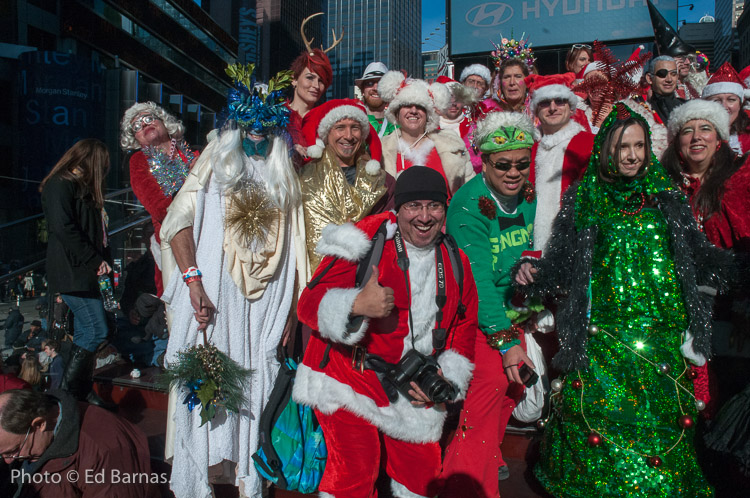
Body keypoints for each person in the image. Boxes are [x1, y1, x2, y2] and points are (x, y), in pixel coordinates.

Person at [514, 103, 730, 497]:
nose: (632, 156)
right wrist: (532, 274)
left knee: (661, 426)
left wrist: (738, 267)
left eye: (639, 146)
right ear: (605, 152)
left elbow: (698, 254)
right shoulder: (586, 196)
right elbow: (562, 260)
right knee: (601, 420)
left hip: (661, 331)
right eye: (622, 147)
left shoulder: (666, 194)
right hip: (605, 334)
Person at [159, 67, 306, 498]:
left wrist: (294, 311)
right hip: (216, 292)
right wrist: (192, 281)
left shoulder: (285, 171)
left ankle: (251, 480)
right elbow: (177, 224)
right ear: (235, 125)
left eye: (265, 130)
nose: (256, 138)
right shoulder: (214, 163)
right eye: (248, 128)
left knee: (260, 375)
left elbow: (297, 246)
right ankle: (203, 480)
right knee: (211, 382)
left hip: (268, 301)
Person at [292, 166, 478, 498]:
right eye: (413, 206)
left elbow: (463, 327)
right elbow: (307, 305)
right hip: (351, 377)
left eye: (433, 206)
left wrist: (448, 377)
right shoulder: (365, 243)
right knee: (355, 471)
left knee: (421, 477)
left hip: (413, 384)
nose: (424, 216)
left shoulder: (455, 260)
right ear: (398, 209)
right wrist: (355, 306)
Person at [440, 112, 543, 496]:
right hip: (480, 320)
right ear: (483, 160)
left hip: (516, 314)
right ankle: (465, 484)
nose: (514, 173)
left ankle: (490, 457)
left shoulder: (529, 193)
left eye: (522, 163)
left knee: (513, 389)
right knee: (485, 404)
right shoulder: (469, 205)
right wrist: (506, 341)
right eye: (503, 165)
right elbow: (479, 284)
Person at [40, 139, 112, 406]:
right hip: (72, 270)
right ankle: (70, 391)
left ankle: (79, 390)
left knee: (85, 332)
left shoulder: (81, 188)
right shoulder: (60, 184)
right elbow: (63, 227)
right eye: (102, 163)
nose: (104, 169)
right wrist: (94, 260)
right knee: (96, 330)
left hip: (85, 271)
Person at [0, 389, 159, 497]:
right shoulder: (34, 440)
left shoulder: (105, 451)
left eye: (13, 451)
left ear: (39, 424)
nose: (9, 460)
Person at [298, 99, 394, 270]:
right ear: (327, 133)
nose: (348, 136)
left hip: (367, 275)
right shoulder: (303, 178)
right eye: (340, 127)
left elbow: (390, 230)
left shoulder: (383, 182)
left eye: (355, 128)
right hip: (316, 276)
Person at [120, 101, 197, 296]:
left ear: (164, 122)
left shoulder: (191, 153)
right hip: (175, 240)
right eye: (136, 127)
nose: (144, 125)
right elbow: (160, 208)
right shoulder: (139, 160)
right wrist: (192, 180)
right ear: (135, 138)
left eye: (148, 119)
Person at [379, 71, 475, 196]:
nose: (413, 111)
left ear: (428, 113)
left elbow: (471, 191)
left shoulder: (452, 143)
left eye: (420, 106)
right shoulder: (382, 147)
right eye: (407, 105)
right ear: (396, 113)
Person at [526, 76, 595, 250]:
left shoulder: (589, 144)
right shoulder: (528, 148)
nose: (553, 108)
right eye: (545, 102)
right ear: (536, 110)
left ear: (571, 108)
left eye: (560, 101)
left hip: (575, 244)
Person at [701, 62, 750, 155]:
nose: (724, 106)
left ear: (740, 104)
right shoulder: (696, 135)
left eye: (731, 100)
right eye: (716, 100)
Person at [355, 62, 396, 137]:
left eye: (381, 83)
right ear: (362, 90)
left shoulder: (397, 125)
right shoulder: (353, 122)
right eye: (370, 83)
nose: (376, 88)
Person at [646, 55, 685, 123]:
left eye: (673, 74)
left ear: (677, 77)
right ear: (649, 78)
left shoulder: (687, 107)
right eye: (662, 74)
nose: (669, 79)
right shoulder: (644, 111)